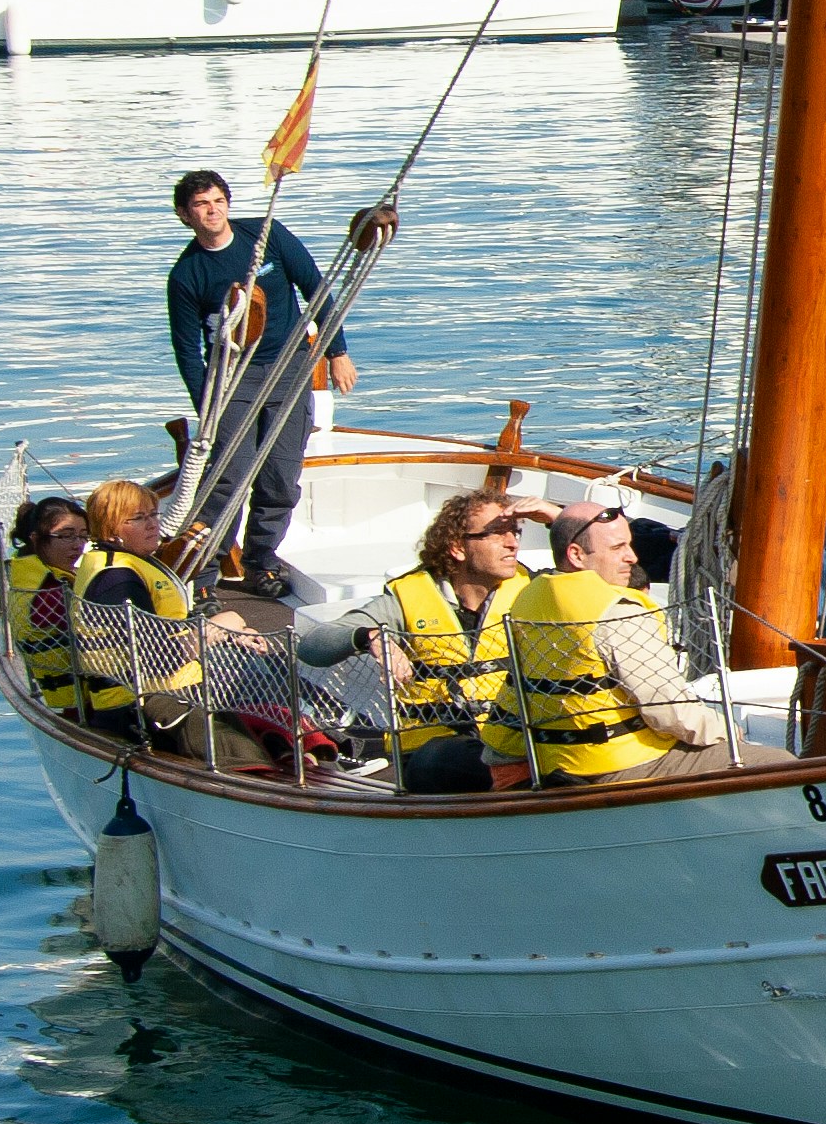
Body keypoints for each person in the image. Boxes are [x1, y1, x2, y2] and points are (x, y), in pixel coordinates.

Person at [483, 502, 775, 786]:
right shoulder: (618, 611)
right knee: (779, 764)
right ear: (576, 555)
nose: (632, 557)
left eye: (629, 545)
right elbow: (669, 712)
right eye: (617, 548)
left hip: (556, 761)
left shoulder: (528, 600)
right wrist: (729, 731)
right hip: (623, 765)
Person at [166, 169, 357, 600]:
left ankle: (260, 562)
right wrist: (206, 406)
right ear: (184, 215)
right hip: (232, 380)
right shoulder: (187, 275)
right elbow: (187, 350)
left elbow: (315, 288)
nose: (212, 211)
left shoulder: (267, 236)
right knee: (228, 479)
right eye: (201, 204)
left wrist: (337, 351)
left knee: (281, 478)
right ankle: (202, 576)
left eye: (218, 201)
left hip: (289, 368)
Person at [340, 489, 536, 793]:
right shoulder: (408, 597)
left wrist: (556, 519)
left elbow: (595, 580)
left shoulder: (533, 589)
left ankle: (523, 778)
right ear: (458, 548)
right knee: (438, 760)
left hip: (510, 741)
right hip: (432, 753)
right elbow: (314, 645)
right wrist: (373, 637)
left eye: (515, 532)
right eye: (497, 533)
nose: (513, 543)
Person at [70, 478, 273, 765]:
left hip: (169, 690)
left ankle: (304, 745)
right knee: (258, 678)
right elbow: (153, 661)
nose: (152, 525)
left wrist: (233, 633)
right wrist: (217, 627)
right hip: (141, 705)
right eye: (139, 519)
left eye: (153, 515)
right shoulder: (117, 579)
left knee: (259, 669)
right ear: (111, 528)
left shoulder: (121, 562)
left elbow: (166, 625)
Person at [3, 496, 89, 702]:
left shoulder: (26, 572)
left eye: (83, 536)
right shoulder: (49, 591)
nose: (78, 545)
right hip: (80, 704)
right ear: (36, 538)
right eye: (66, 536)